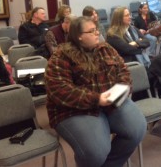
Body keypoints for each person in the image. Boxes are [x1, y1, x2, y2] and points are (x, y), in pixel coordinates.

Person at [45, 16, 146, 167]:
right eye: (91, 31)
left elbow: (124, 74)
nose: (97, 33)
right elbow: (60, 90)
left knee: (137, 129)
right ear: (79, 36)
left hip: (110, 101)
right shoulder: (61, 56)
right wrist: (96, 99)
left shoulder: (106, 49)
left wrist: (118, 92)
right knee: (96, 152)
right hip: (74, 110)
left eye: (96, 30)